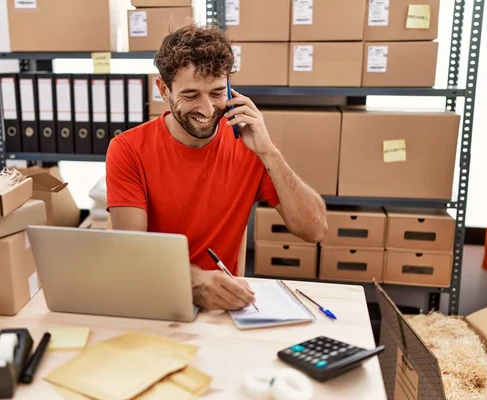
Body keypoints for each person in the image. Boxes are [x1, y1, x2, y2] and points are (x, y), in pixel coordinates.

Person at [106, 23, 328, 311]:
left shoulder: (249, 146)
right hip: (156, 299)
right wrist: (195, 281)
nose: (208, 109)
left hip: (225, 309)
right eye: (191, 95)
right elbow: (131, 253)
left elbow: (315, 230)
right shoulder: (128, 149)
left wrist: (269, 153)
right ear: (163, 89)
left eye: (216, 93)